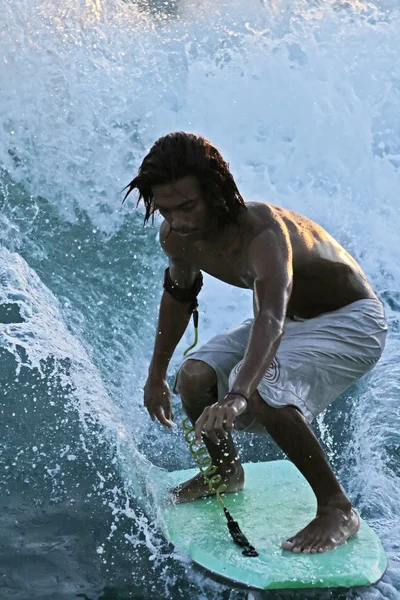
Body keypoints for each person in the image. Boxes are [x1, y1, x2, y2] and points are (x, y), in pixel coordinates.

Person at [123, 131, 387, 555]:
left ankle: (338, 508)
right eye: (167, 209)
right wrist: (156, 376)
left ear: (216, 192)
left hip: (352, 320)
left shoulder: (264, 233)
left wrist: (238, 395)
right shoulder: (176, 237)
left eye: (188, 206)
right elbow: (179, 294)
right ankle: (225, 471)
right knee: (193, 377)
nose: (180, 221)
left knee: (260, 388)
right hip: (294, 319)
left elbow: (269, 317)